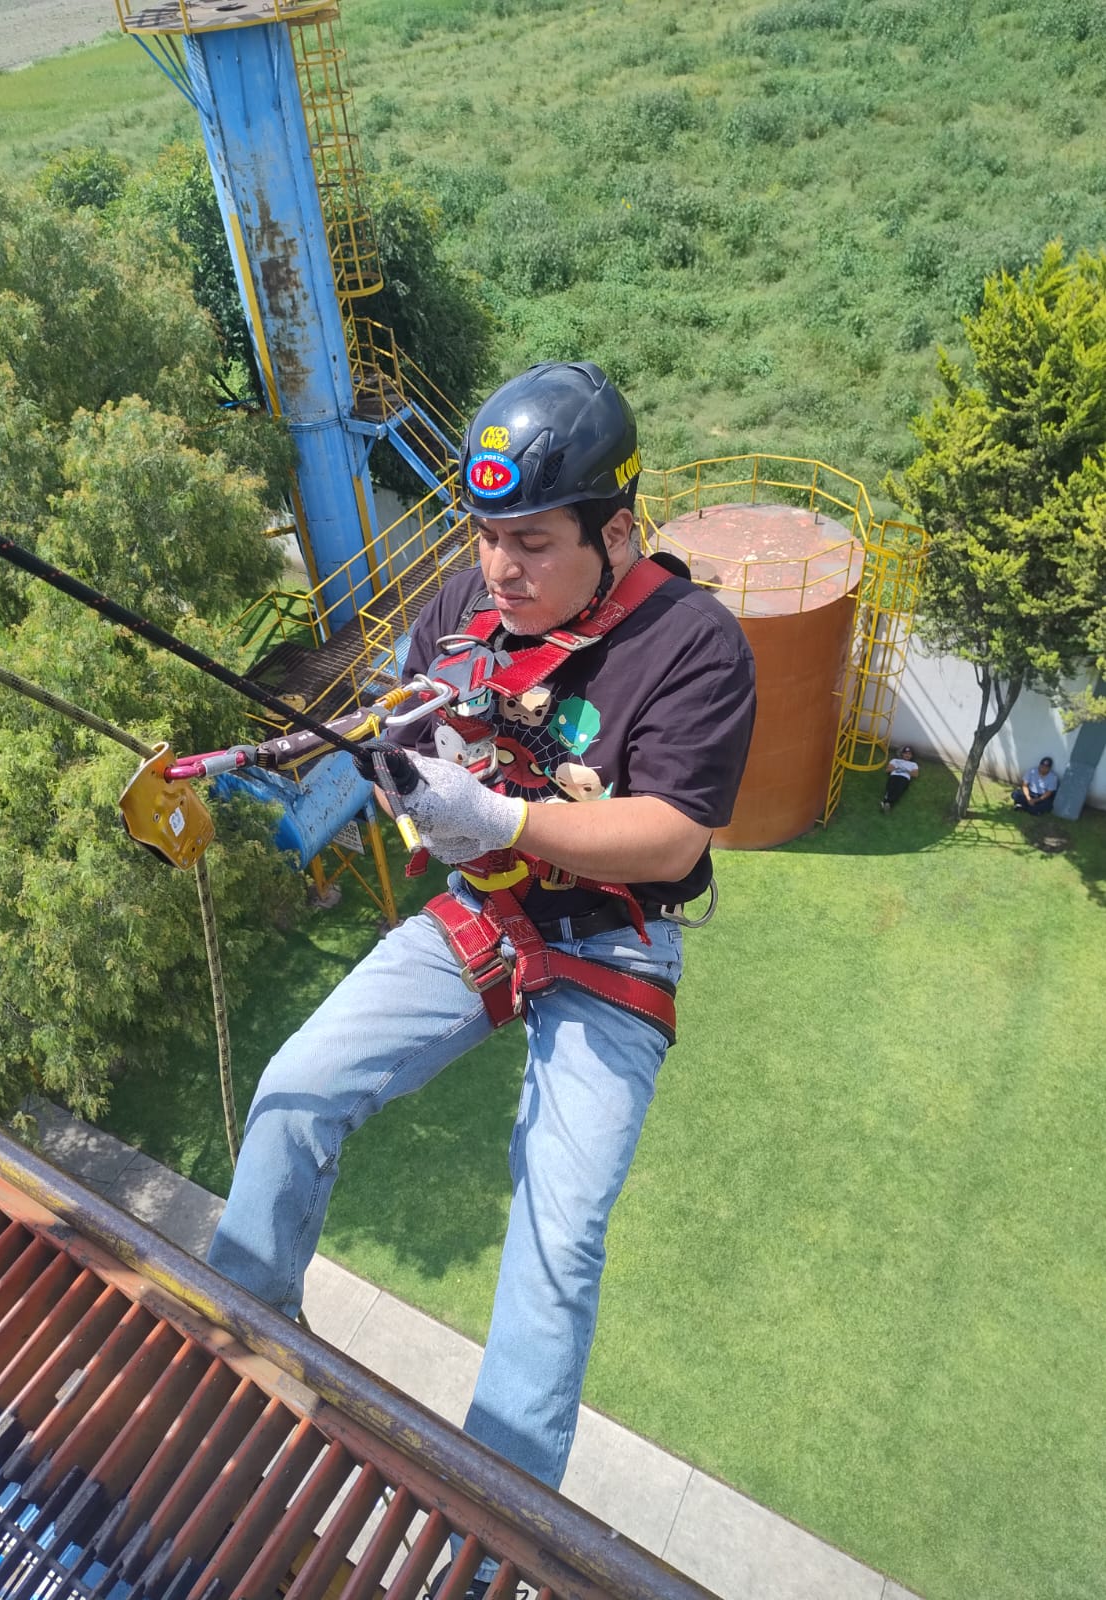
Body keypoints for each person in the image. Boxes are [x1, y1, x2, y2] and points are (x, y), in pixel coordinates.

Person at [205, 362, 757, 1598]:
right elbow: (420, 732)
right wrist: (421, 793)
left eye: (532, 544)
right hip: (487, 911)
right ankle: (237, 1337)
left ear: (616, 530)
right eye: (486, 537)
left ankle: (487, 1534)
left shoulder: (691, 646)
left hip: (613, 945)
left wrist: (497, 808)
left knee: (557, 1241)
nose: (499, 571)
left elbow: (670, 837)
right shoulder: (462, 602)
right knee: (297, 1087)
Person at [880, 745, 919, 812]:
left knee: (898, 790)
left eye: (909, 754)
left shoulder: (913, 764)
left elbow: (915, 774)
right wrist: (896, 768)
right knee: (890, 788)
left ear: (912, 756)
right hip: (894, 775)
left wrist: (906, 771)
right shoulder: (895, 760)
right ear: (902, 754)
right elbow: (887, 770)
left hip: (904, 778)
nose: (907, 755)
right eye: (905, 753)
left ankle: (887, 803)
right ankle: (887, 803)